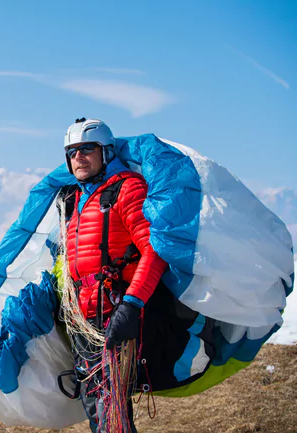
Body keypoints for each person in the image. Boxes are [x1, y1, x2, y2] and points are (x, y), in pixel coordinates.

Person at [59, 118, 167, 433]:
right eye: (72, 151)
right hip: (84, 317)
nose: (79, 157)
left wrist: (131, 305)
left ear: (106, 152)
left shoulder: (126, 189)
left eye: (86, 149)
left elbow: (155, 251)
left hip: (115, 311)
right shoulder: (76, 199)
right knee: (96, 403)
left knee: (111, 408)